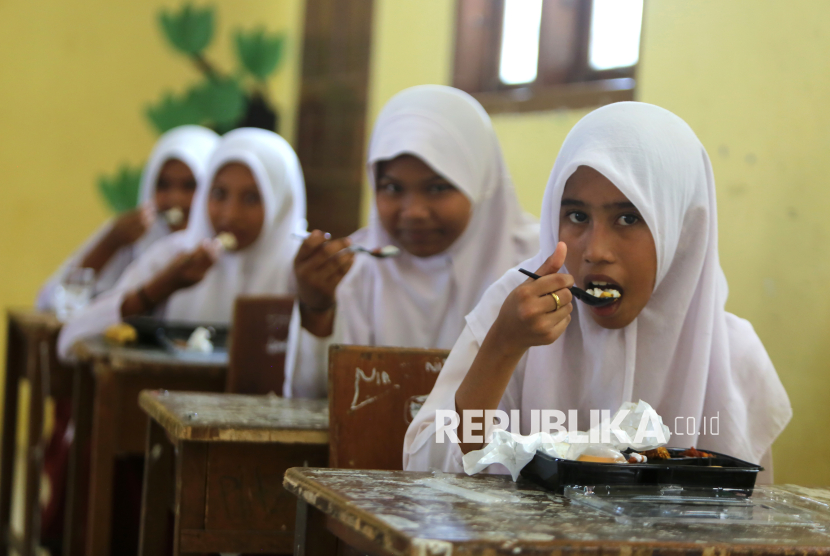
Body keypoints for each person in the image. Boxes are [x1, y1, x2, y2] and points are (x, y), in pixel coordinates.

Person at [403, 102, 792, 482]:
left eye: (628, 218)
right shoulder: (513, 313)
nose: (595, 251)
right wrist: (501, 348)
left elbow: (749, 522)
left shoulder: (732, 356)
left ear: (682, 230)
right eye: (577, 216)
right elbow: (425, 471)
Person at [285, 85, 539, 398]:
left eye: (437, 188)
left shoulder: (535, 268)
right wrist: (317, 309)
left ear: (480, 183)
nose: (414, 212)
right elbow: (312, 399)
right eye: (392, 188)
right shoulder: (354, 268)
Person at [56, 127, 307, 359]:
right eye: (219, 193)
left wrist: (318, 304)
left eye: (252, 198)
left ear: (282, 203)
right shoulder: (175, 254)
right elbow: (71, 340)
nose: (230, 214)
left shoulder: (301, 269)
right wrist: (160, 288)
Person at [37, 125, 219, 311]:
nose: (175, 198)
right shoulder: (132, 235)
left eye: (190, 186)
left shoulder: (225, 254)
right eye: (163, 184)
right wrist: (110, 243)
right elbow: (50, 305)